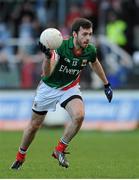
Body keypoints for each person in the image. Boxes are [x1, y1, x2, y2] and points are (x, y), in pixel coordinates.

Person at [11, 18, 113, 170]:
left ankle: (59, 149)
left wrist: (106, 84)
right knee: (34, 125)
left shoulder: (90, 50)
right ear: (74, 34)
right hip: (48, 88)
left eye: (90, 34)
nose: (87, 38)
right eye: (84, 34)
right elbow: (46, 74)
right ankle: (20, 156)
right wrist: (47, 57)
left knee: (79, 116)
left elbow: (95, 62)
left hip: (69, 88)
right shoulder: (60, 47)